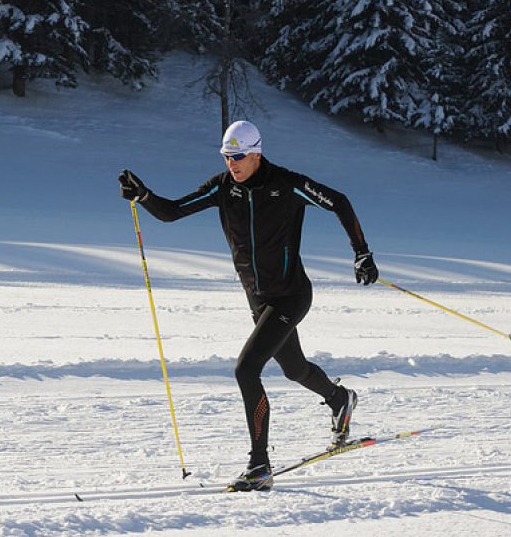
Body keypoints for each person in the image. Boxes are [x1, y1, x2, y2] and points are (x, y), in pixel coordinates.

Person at [118, 120, 378, 492]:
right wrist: (143, 196)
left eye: (238, 156)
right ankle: (340, 399)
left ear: (256, 152)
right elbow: (173, 211)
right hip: (257, 297)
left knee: (246, 369)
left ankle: (259, 466)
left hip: (291, 294)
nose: (232, 164)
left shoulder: (286, 183)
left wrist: (362, 253)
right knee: (294, 368)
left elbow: (339, 201)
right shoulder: (223, 188)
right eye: (227, 157)